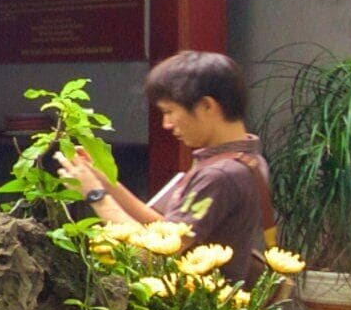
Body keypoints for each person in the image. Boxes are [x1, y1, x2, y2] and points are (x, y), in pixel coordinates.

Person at [58, 50, 271, 259]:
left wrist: (95, 194)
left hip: (196, 293)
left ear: (207, 105)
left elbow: (153, 255)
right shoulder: (245, 159)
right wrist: (104, 180)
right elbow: (165, 232)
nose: (166, 124)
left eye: (169, 111)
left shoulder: (220, 174)